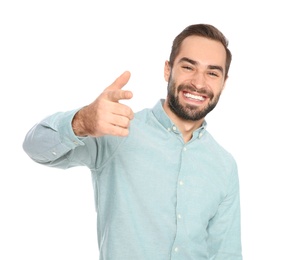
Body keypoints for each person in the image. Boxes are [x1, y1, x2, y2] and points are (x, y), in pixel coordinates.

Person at [23, 23, 242, 260]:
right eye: (188, 67)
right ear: (168, 70)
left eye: (212, 72)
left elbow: (226, 253)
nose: (199, 83)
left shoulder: (225, 165)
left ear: (223, 82)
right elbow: (34, 147)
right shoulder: (115, 129)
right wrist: (82, 122)